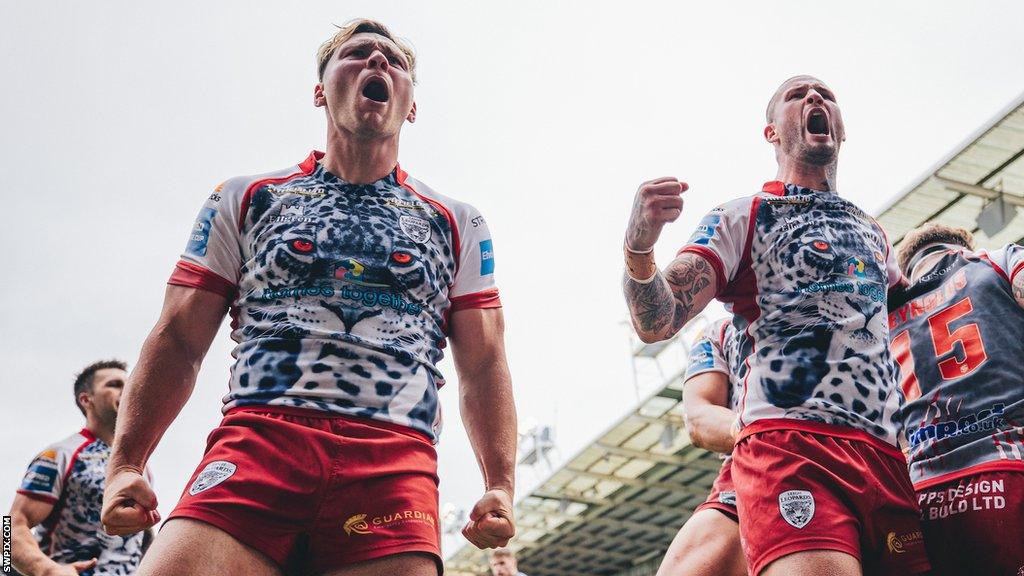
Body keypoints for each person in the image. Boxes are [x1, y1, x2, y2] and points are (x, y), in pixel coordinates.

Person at [99, 19, 517, 576]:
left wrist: (500, 484)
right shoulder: (246, 197)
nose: (376, 64)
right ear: (320, 91)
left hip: (392, 461)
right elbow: (177, 338)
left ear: (411, 106)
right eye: (357, 54)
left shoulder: (459, 221)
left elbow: (485, 363)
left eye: (392, 61)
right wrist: (127, 463)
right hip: (261, 440)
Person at [622, 75, 929, 575]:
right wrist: (638, 250)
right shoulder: (745, 215)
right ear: (771, 133)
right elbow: (658, 320)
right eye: (797, 94)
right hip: (794, 446)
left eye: (826, 95)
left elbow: (916, 329)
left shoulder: (875, 234)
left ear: (842, 129)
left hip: (884, 459)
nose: (814, 98)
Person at [890, 223, 1024, 575]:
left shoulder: (881, 317)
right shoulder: (998, 260)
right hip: (1009, 470)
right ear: (961, 245)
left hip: (923, 500)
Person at [9, 360, 151, 576]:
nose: (127, 390)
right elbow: (8, 530)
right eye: (114, 384)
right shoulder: (59, 455)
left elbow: (144, 535)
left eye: (129, 384)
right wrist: (45, 570)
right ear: (86, 400)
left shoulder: (139, 464)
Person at [656, 318, 746, 576]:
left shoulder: (858, 312)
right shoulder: (718, 334)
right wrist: (767, 436)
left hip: (860, 469)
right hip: (751, 473)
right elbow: (698, 418)